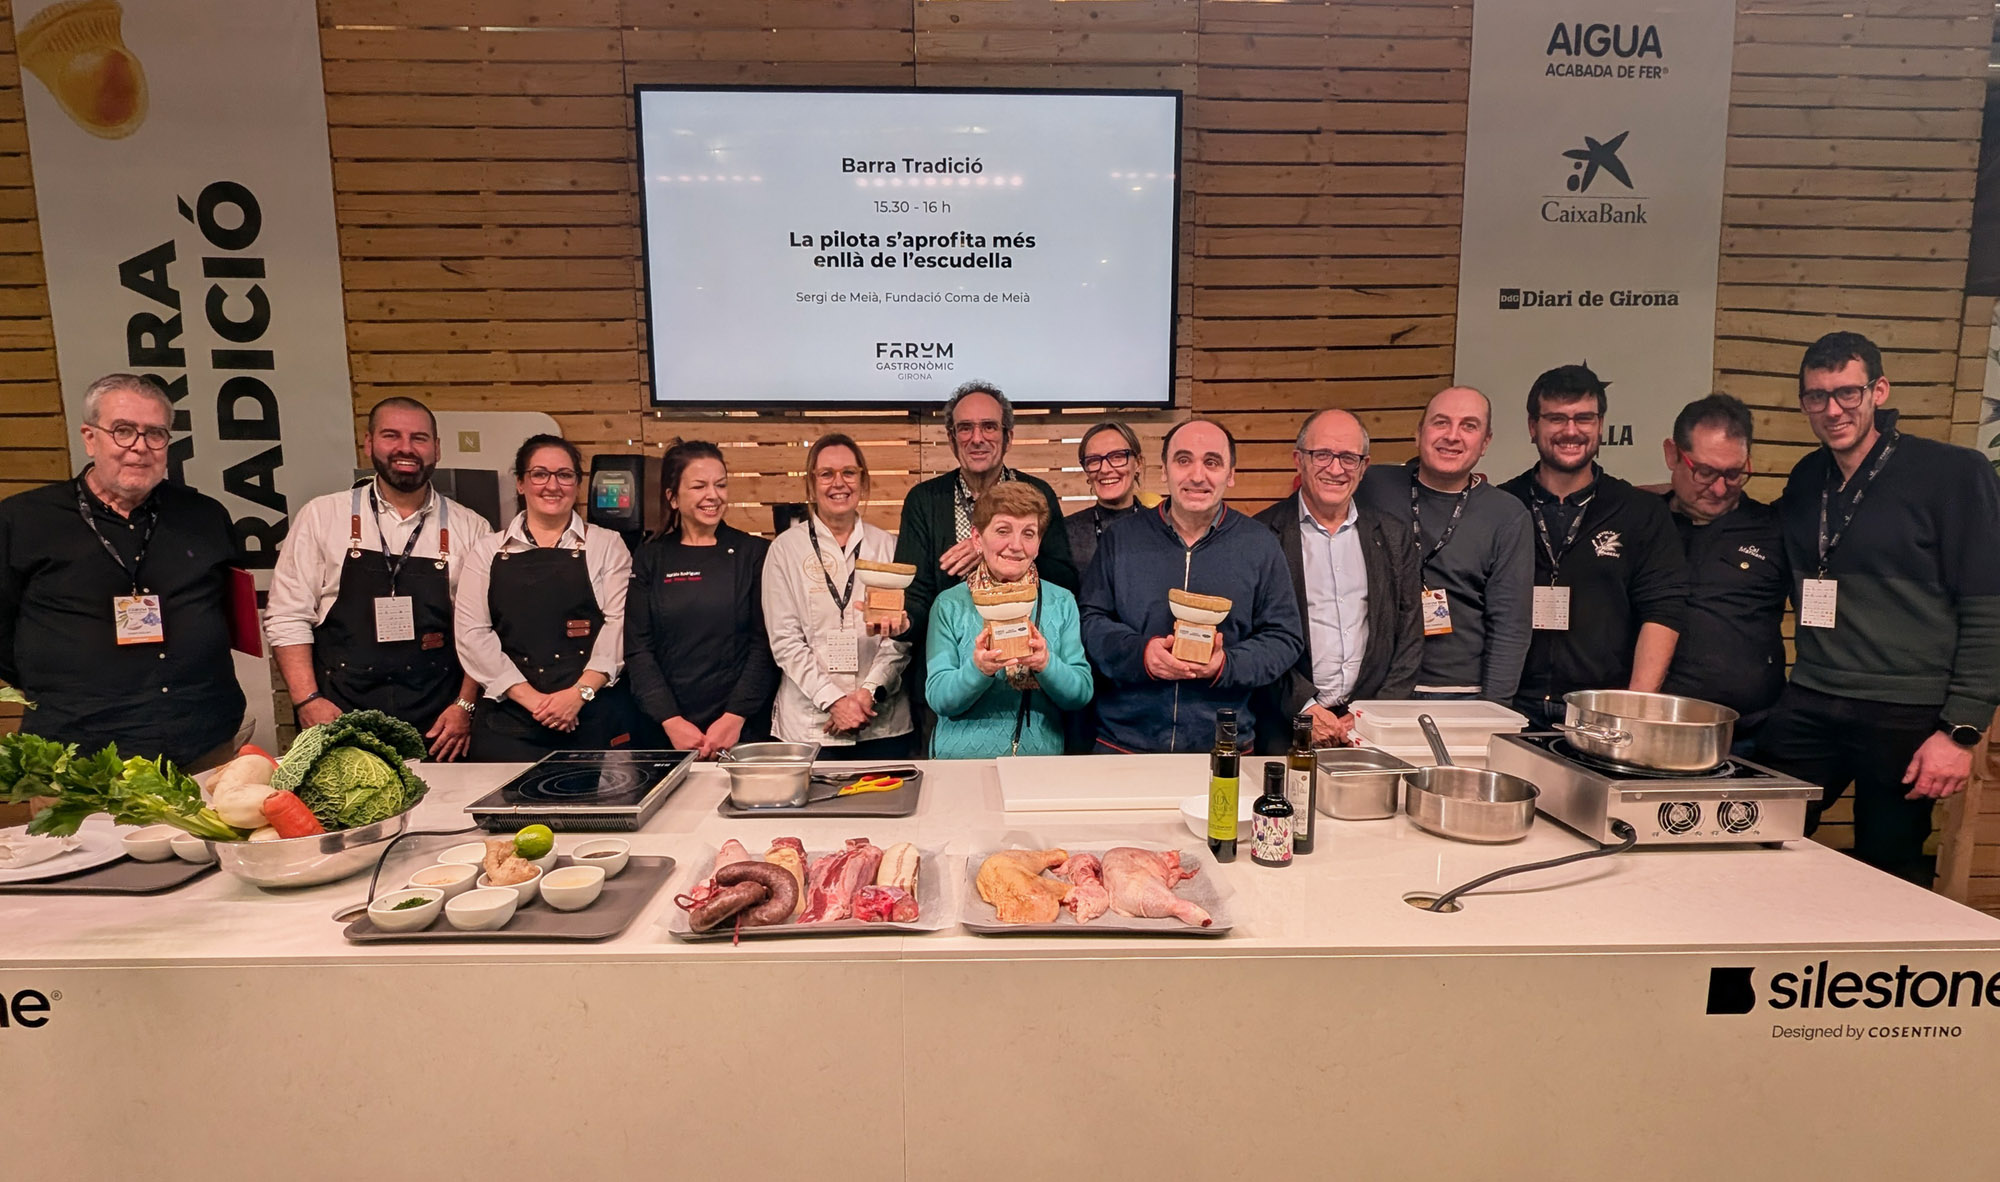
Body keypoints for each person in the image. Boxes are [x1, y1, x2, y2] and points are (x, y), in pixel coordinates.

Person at [1755, 332, 2000, 884]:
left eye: (1847, 392)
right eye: (1817, 396)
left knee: (1890, 872)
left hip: (1908, 713)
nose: (1833, 409)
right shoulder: (1806, 479)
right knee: (1753, 836)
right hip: (1812, 697)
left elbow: (1990, 608)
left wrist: (1961, 730)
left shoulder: (1954, 474)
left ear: (1879, 391)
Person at [0, 373, 246, 770]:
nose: (139, 447)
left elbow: (224, 608)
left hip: (203, 746)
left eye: (155, 434)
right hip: (79, 759)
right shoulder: (23, 521)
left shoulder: (204, 516)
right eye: (123, 431)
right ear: (89, 437)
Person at [265, 396, 493, 760]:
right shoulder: (323, 516)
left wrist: (465, 707)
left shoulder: (471, 527)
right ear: (369, 443)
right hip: (339, 715)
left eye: (419, 438)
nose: (406, 448)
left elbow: (480, 629)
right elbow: (287, 616)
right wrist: (308, 700)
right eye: (392, 435)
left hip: (439, 722)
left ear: (436, 449)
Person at [1079, 419, 1303, 754]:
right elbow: (1091, 621)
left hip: (1223, 746)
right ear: (1164, 470)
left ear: (1231, 474)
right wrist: (1141, 655)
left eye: (1211, 462)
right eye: (1183, 460)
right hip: (1123, 744)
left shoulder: (1259, 545)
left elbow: (1284, 637)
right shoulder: (1121, 539)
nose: (1197, 475)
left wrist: (1226, 664)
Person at [1499, 364, 1687, 730]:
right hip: (1510, 707)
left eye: (1584, 418)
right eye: (1556, 418)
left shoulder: (1640, 512)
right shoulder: (1501, 506)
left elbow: (1663, 610)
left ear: (1601, 425)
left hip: (1602, 711)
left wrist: (1634, 708)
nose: (1571, 431)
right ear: (1533, 426)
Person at [455, 435, 636, 761]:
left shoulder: (608, 545)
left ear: (577, 484)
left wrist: (578, 694)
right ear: (521, 483)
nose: (552, 485)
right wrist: (533, 700)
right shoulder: (486, 551)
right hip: (507, 724)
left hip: (590, 719)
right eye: (540, 474)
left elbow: (619, 625)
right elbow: (473, 635)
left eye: (564, 475)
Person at [1254, 408, 1422, 752]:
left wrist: (1370, 715)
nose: (1335, 468)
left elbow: (1409, 636)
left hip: (1370, 731)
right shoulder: (1261, 535)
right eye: (1322, 455)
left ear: (1364, 466)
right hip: (1284, 726)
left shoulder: (1392, 536)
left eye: (1348, 457)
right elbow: (1254, 639)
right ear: (1298, 460)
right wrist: (1304, 708)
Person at [1356, 386, 1533, 704]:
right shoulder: (1370, 486)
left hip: (1460, 694)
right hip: (1375, 688)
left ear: (1485, 443)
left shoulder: (1507, 515)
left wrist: (1492, 711)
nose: (1452, 436)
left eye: (1469, 426)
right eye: (1441, 422)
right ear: (1418, 434)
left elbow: (1510, 625)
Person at [894, 381, 1079, 667]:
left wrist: (992, 549)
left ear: (1009, 437)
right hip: (947, 669)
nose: (977, 438)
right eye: (965, 428)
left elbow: (1064, 580)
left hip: (1028, 665)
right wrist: (902, 623)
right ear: (951, 438)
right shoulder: (924, 500)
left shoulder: (1038, 493)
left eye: (989, 427)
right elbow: (915, 596)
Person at [623, 441, 779, 760]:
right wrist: (671, 721)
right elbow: (638, 648)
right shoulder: (650, 556)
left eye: (720, 485)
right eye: (699, 486)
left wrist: (735, 717)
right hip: (665, 731)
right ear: (672, 497)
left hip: (741, 729)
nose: (713, 495)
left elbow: (764, 644)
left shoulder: (754, 554)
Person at [763, 433, 915, 759]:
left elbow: (900, 637)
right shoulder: (785, 550)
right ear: (811, 483)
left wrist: (867, 694)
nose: (839, 483)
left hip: (881, 724)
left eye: (849, 472)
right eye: (827, 474)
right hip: (809, 727)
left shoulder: (888, 547)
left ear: (863, 480)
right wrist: (834, 701)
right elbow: (785, 641)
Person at [1657, 394, 1787, 752]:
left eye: (1733, 474)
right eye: (1704, 472)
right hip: (1656, 731)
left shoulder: (1775, 528)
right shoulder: (1642, 522)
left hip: (1752, 735)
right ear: (1672, 454)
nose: (1718, 489)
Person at [925, 482, 1093, 759]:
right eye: (1003, 531)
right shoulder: (949, 604)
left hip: (1038, 766)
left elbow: (1080, 693)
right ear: (978, 538)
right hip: (959, 766)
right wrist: (978, 669)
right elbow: (940, 699)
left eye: (1029, 533)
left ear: (1039, 543)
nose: (1016, 546)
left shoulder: (1061, 601)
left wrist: (1046, 664)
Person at [1064, 420, 1159, 573]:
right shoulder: (1065, 533)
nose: (1105, 469)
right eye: (1094, 460)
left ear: (1138, 463)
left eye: (1117, 457)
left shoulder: (1162, 529)